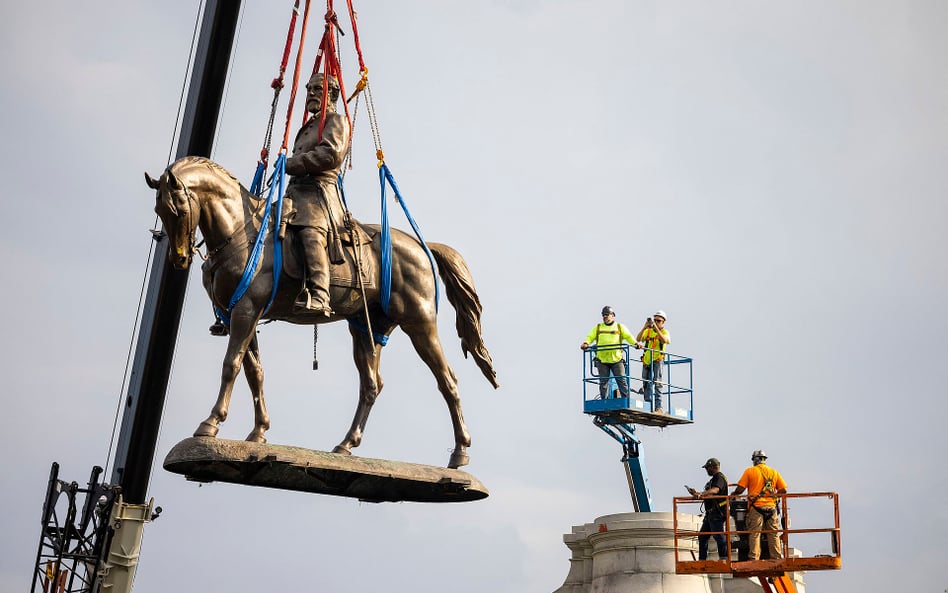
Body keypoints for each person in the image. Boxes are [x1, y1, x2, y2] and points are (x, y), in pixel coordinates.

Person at [283, 72, 351, 317]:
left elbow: (329, 155)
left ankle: (321, 294)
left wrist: (291, 164)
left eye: (317, 90)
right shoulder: (306, 128)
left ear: (331, 94)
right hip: (294, 193)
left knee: (310, 234)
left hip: (318, 194)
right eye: (309, 89)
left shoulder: (336, 121)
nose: (310, 93)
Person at [731, 450, 787, 561]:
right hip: (771, 508)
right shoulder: (774, 472)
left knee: (755, 534)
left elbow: (740, 489)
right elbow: (783, 489)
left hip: (756, 507)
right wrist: (774, 498)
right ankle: (776, 557)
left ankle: (754, 558)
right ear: (764, 459)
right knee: (773, 534)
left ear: (755, 460)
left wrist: (734, 494)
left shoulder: (750, 471)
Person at [581, 306, 638, 399]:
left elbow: (628, 336)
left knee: (621, 380)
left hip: (616, 359)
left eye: (607, 314)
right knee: (603, 382)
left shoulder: (619, 327)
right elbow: (590, 336)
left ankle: (626, 400)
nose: (605, 317)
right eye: (603, 315)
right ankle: (604, 400)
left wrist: (636, 343)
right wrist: (586, 343)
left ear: (613, 315)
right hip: (602, 360)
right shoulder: (598, 327)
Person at [687, 458, 730, 561]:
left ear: (714, 467)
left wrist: (701, 494)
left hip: (717, 513)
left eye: (708, 468)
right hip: (711, 514)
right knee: (702, 537)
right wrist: (696, 493)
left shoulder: (719, 477)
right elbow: (710, 494)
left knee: (718, 536)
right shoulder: (713, 479)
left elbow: (715, 490)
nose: (706, 470)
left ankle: (724, 558)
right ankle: (702, 559)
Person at [636, 310, 670, 413]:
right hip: (647, 360)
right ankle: (648, 406)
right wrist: (645, 327)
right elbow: (638, 339)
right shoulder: (648, 331)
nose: (656, 322)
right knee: (646, 383)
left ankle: (658, 407)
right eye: (655, 320)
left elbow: (665, 340)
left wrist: (656, 328)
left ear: (663, 322)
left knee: (657, 383)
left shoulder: (665, 332)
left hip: (657, 360)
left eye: (658, 321)